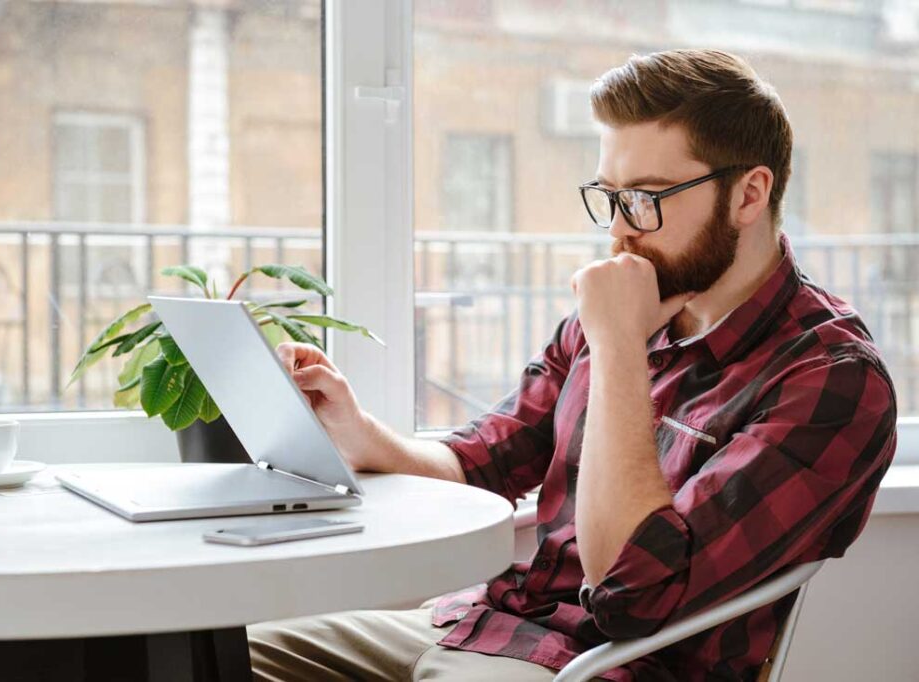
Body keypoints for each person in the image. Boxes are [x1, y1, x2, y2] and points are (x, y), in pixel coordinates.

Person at [249, 49, 898, 681]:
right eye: (609, 197)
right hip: (483, 625)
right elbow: (485, 462)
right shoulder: (627, 302)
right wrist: (359, 433)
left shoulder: (831, 378)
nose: (618, 232)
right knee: (211, 653)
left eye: (645, 197)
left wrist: (618, 347)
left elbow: (633, 594)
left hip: (604, 666)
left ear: (749, 194)